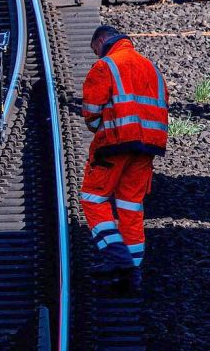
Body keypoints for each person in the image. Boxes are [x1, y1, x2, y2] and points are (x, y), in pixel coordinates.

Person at [80, 25, 168, 294]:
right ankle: (133, 274)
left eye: (95, 49)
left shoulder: (106, 65)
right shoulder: (151, 68)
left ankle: (118, 258)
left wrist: (99, 128)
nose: (97, 55)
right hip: (147, 148)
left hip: (114, 145)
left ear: (102, 41)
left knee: (93, 198)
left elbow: (91, 111)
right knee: (131, 207)